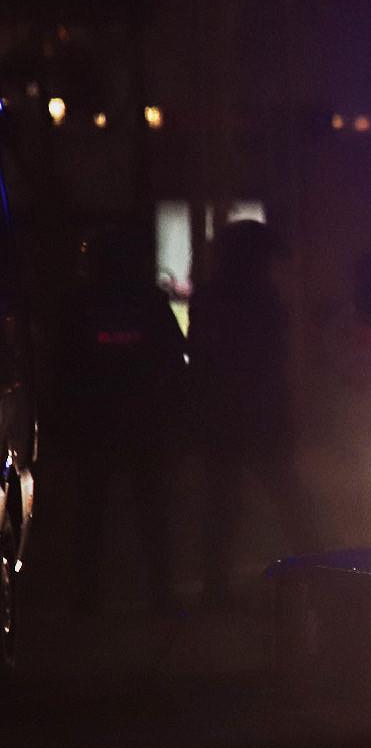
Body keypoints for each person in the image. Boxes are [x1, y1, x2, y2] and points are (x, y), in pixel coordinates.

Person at [53, 226, 186, 613]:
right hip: (136, 420)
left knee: (95, 511)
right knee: (147, 510)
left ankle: (89, 596)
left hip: (102, 420)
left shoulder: (81, 304)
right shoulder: (146, 301)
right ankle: (157, 593)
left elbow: (64, 367)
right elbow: (173, 357)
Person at [189, 220, 319, 601]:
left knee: (225, 504)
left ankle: (216, 587)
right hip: (256, 412)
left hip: (226, 413)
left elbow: (202, 358)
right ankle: (318, 573)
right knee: (288, 500)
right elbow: (270, 361)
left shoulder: (214, 297)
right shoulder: (263, 299)